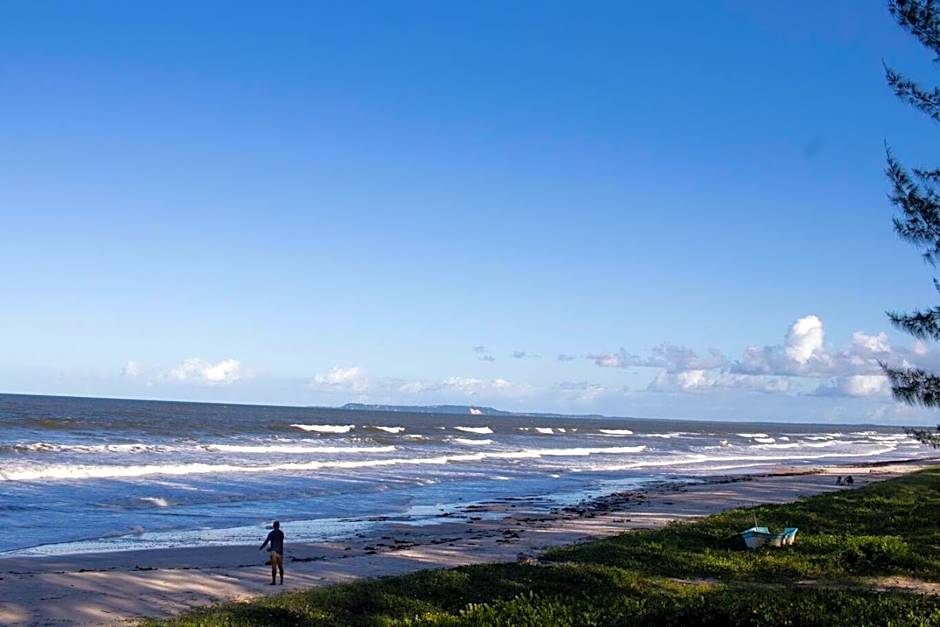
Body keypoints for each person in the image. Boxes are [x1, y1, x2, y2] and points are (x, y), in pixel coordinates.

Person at [259, 520, 285, 585]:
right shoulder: (281, 533)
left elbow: (267, 541)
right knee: (280, 566)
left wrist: (262, 547)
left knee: (274, 567)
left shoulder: (271, 533)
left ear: (273, 526)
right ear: (279, 526)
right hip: (280, 551)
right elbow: (280, 542)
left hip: (273, 551)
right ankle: (281, 581)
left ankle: (274, 581)